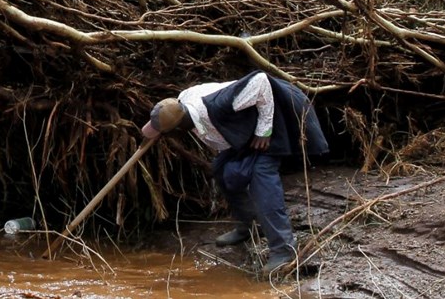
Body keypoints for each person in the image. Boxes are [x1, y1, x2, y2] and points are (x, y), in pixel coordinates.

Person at [141, 70, 329, 275]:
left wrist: (263, 130)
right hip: (245, 131)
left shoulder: (217, 105)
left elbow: (261, 80)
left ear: (180, 127)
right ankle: (248, 225)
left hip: (274, 119)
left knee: (261, 178)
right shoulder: (180, 103)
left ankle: (284, 250)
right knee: (220, 170)